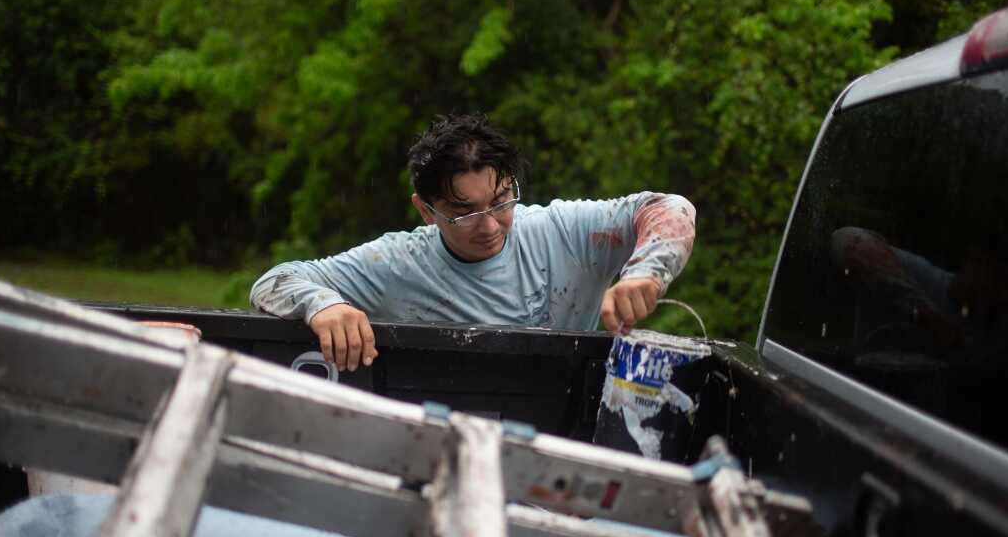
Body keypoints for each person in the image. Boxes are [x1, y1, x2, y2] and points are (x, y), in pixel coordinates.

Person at [250, 114, 696, 371]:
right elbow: (275, 280)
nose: (490, 227)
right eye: (463, 212)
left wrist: (644, 274)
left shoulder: (563, 231)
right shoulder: (399, 262)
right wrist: (324, 305)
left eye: (501, 201)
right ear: (426, 211)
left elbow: (668, 208)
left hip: (561, 426)